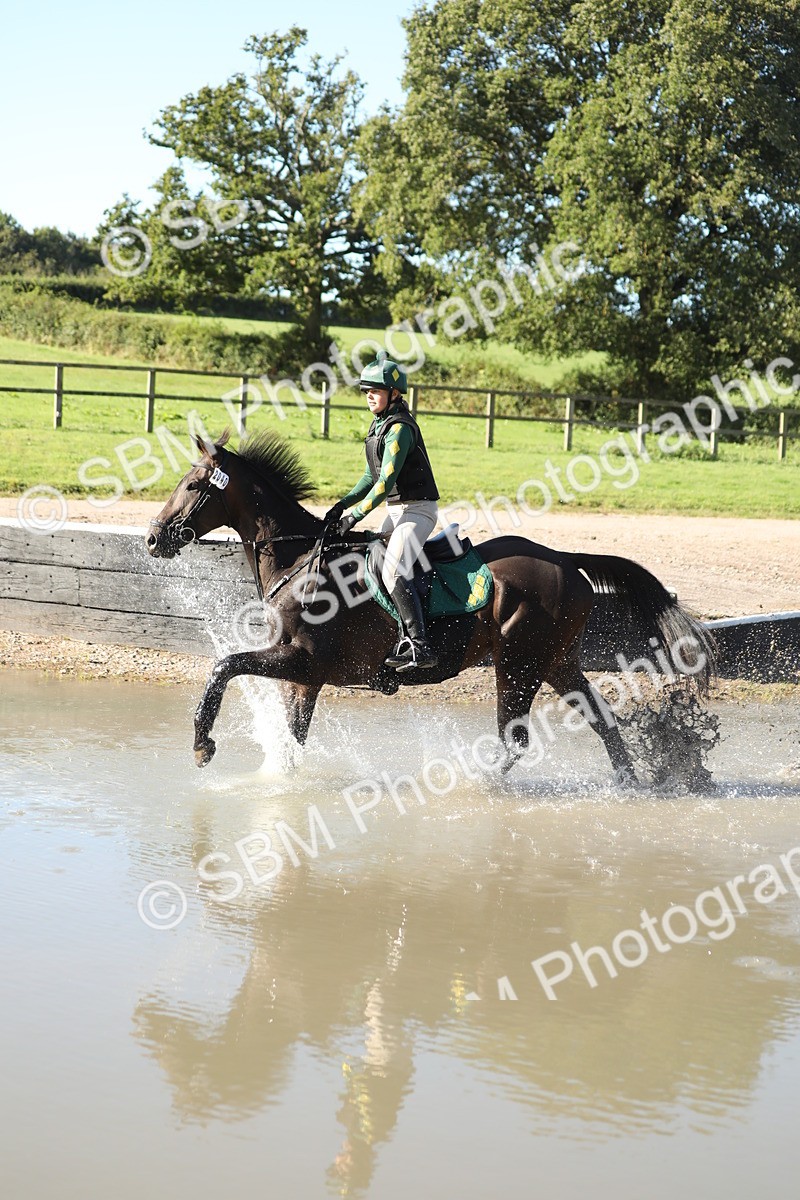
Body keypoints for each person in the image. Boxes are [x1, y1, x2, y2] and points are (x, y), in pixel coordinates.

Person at [325, 351, 440, 671]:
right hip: (397, 510)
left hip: (418, 511)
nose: (369, 397)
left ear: (394, 393)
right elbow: (368, 478)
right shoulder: (378, 427)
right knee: (369, 558)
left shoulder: (400, 428)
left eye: (375, 391)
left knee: (392, 569)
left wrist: (355, 516)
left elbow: (385, 481)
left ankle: (420, 646)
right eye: (367, 392)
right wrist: (341, 505)